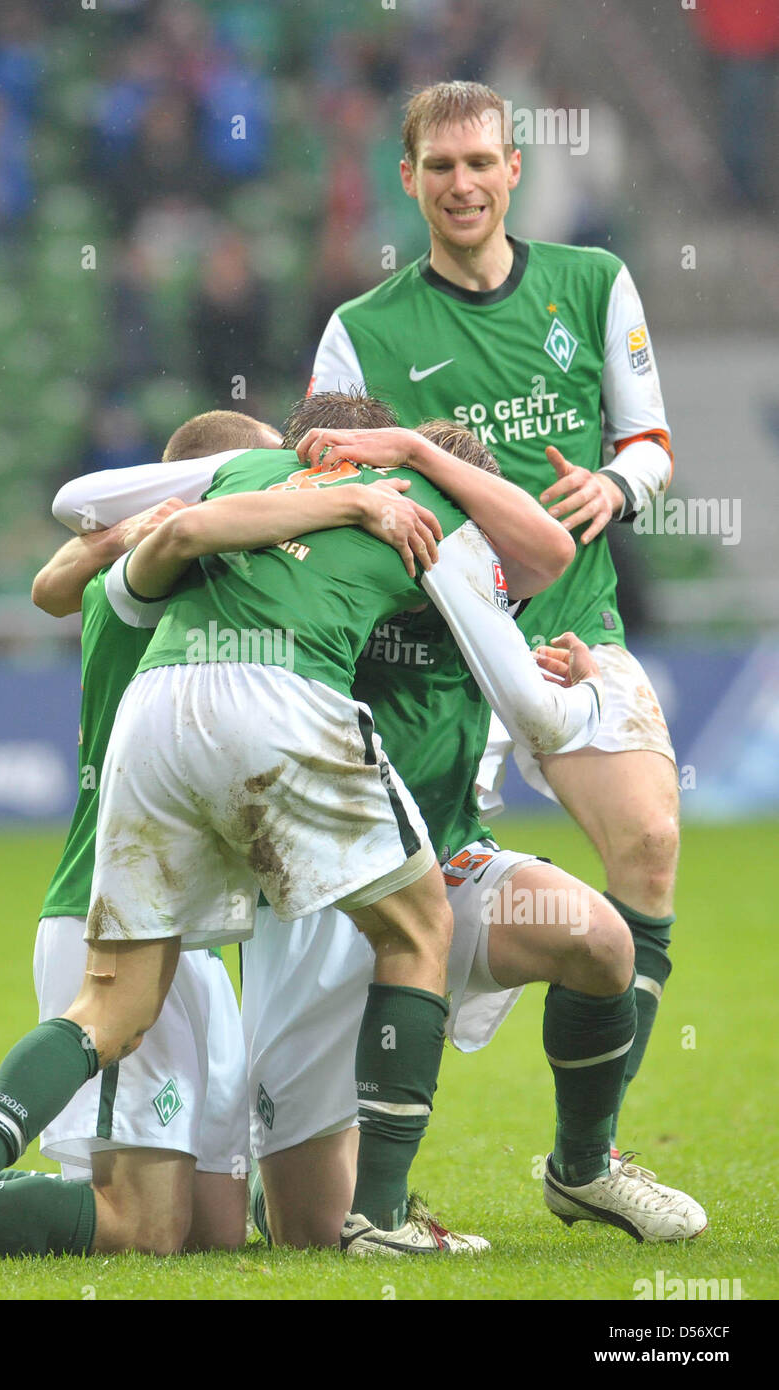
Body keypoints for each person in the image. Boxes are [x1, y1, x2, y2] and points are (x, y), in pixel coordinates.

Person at [0, 388, 578, 1263]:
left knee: (194, 1198)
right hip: (274, 704)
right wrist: (368, 496)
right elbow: (547, 556)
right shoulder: (395, 503)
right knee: (418, 928)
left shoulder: (225, 503)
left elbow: (63, 570)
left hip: (157, 730)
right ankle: (378, 1218)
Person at [309, 80, 681, 1156]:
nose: (462, 184)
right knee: (376, 917)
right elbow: (327, 474)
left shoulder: (592, 282)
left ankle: (585, 1159)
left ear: (515, 169)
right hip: (429, 658)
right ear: (408, 179)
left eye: (481, 164)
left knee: (648, 843)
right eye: (440, 168)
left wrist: (615, 488)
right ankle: (316, 1139)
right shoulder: (360, 332)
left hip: (573, 628)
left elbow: (649, 442)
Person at [239, 421, 705, 1248]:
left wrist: (423, 458)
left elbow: (548, 553)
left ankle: (584, 1166)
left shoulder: (481, 578)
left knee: (598, 942)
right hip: (321, 886)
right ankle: (283, 1182)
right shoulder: (331, 546)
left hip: (444, 859)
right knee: (302, 1233)